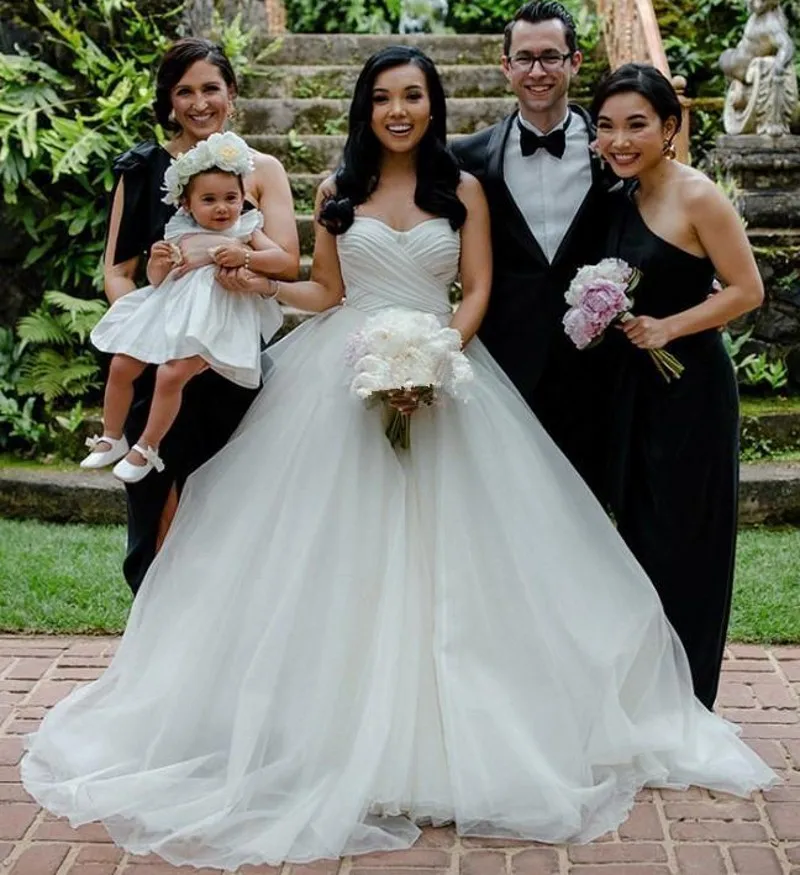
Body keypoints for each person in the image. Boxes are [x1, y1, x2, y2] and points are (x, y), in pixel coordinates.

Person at [22, 47, 776, 871]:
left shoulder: (465, 189)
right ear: (365, 108)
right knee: (328, 554)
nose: (398, 111)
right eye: (383, 98)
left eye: (413, 96)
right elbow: (324, 292)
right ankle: (317, 728)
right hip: (340, 375)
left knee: (464, 560)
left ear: (432, 103)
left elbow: (479, 289)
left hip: (444, 369)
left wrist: (433, 356)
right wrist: (261, 282)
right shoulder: (334, 192)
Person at [591, 63, 765, 709]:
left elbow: (748, 290)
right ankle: (641, 691)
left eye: (637, 124)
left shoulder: (698, 197)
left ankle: (688, 699)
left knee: (685, 541)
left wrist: (670, 327)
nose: (620, 139)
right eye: (607, 127)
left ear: (670, 126)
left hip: (690, 394)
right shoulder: (618, 195)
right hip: (631, 395)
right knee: (636, 538)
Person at [100, 38, 299, 590]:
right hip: (160, 360)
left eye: (210, 88)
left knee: (226, 515)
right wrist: (154, 328)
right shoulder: (142, 170)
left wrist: (249, 277)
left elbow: (285, 266)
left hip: (230, 366)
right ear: (169, 101)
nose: (198, 103)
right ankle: (150, 648)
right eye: (183, 91)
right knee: (154, 513)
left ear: (231, 95)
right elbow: (117, 272)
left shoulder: (263, 170)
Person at [450, 0, 619, 503]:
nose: (537, 71)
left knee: (594, 508)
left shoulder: (615, 152)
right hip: (505, 363)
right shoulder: (468, 158)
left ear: (575, 62)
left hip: (597, 365)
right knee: (509, 505)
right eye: (524, 58)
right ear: (506, 67)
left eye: (550, 56)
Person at [82, 132, 284, 483]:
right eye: (209, 199)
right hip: (174, 311)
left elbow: (282, 260)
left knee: (170, 374)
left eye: (231, 198)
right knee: (122, 362)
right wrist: (158, 264)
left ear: (242, 199)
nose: (222, 207)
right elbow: (159, 280)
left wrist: (246, 255)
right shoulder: (178, 228)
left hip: (221, 318)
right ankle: (111, 435)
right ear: (187, 204)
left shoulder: (246, 228)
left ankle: (147, 446)